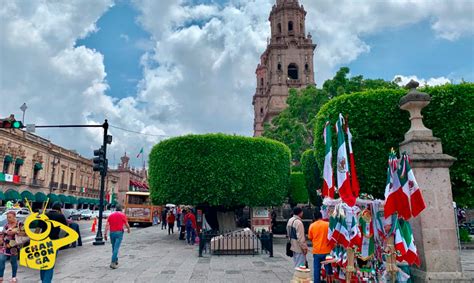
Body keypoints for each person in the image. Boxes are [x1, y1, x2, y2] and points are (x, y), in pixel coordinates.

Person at [40, 202, 69, 283]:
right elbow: (66, 228)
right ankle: (46, 281)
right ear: (60, 208)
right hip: (54, 241)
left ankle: (43, 280)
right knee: (50, 263)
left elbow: (38, 228)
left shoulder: (44, 215)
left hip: (43, 241)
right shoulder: (60, 216)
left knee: (43, 263)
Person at [0, 211, 27, 282]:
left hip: (14, 246)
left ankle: (14, 277)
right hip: (5, 245)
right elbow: (3, 233)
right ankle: (1, 276)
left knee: (13, 262)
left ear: (14, 216)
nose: (8, 219)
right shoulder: (6, 225)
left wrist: (15, 232)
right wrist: (2, 237)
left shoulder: (20, 224)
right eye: (7, 217)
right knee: (1, 260)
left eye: (10, 217)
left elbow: (25, 233)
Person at [308, 210, 333, 283]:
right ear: (321, 216)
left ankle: (317, 281)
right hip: (327, 251)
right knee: (328, 268)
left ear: (314, 217)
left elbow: (310, 237)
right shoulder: (328, 224)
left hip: (317, 251)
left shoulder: (312, 226)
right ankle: (329, 281)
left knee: (316, 269)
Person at [104, 205, 130, 269]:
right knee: (116, 248)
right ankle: (113, 262)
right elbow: (126, 224)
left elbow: (107, 225)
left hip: (112, 233)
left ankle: (115, 260)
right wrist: (128, 229)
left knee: (113, 247)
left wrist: (105, 234)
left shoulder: (111, 215)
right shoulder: (122, 215)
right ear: (121, 209)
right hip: (119, 233)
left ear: (115, 209)